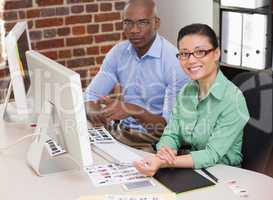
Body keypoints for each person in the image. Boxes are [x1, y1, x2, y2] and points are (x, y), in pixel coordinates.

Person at [134, 23, 250, 176]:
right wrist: (166, 151)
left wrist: (163, 162)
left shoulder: (233, 100)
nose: (191, 60)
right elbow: (171, 134)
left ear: (216, 54)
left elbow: (211, 154)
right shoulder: (186, 91)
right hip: (192, 171)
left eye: (200, 52)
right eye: (184, 54)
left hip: (225, 176)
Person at [84, 0, 188, 152]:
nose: (134, 30)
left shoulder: (174, 63)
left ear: (156, 23)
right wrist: (95, 112)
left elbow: (168, 130)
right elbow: (90, 95)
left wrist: (133, 110)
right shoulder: (118, 52)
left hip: (153, 141)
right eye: (128, 23)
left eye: (143, 23)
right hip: (121, 131)